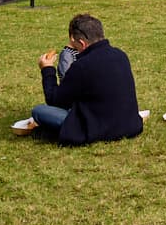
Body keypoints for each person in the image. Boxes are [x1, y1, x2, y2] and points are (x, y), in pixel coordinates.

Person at [24, 14, 142, 144]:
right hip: (129, 124)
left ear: (82, 43)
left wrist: (47, 69)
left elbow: (54, 100)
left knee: (39, 111)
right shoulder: (120, 55)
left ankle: (55, 131)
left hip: (97, 127)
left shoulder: (82, 65)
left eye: (76, 46)